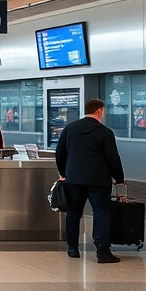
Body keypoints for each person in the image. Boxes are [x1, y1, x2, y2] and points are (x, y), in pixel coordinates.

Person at [56, 98, 126, 263]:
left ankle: (72, 248)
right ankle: (102, 252)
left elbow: (60, 152)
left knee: (73, 212)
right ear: (99, 111)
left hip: (73, 178)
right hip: (99, 179)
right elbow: (113, 158)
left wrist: (63, 173)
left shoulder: (70, 129)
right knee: (101, 212)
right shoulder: (105, 132)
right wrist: (119, 179)